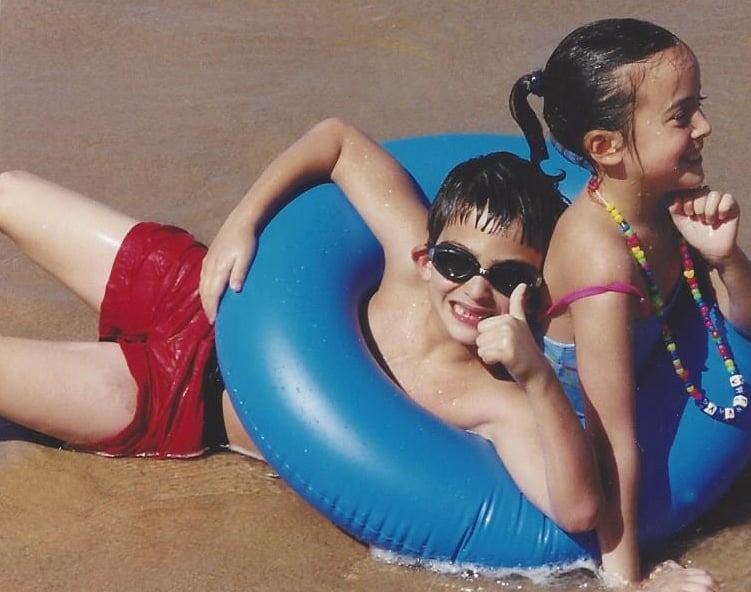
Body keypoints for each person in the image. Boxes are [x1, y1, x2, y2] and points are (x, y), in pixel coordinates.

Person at [0, 118, 603, 534]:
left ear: (535, 292)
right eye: (456, 262)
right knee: (12, 190)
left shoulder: (494, 400)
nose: (474, 288)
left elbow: (577, 511)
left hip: (177, 400)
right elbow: (337, 140)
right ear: (427, 256)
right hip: (204, 291)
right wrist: (243, 220)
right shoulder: (405, 249)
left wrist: (538, 378)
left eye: (504, 276)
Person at [509, 17, 751, 588]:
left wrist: (726, 257)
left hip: (651, 383)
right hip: (579, 431)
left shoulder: (665, 204)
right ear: (606, 148)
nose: (705, 126)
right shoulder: (600, 257)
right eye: (682, 115)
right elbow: (609, 433)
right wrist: (631, 583)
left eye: (699, 105)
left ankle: (692, 496)